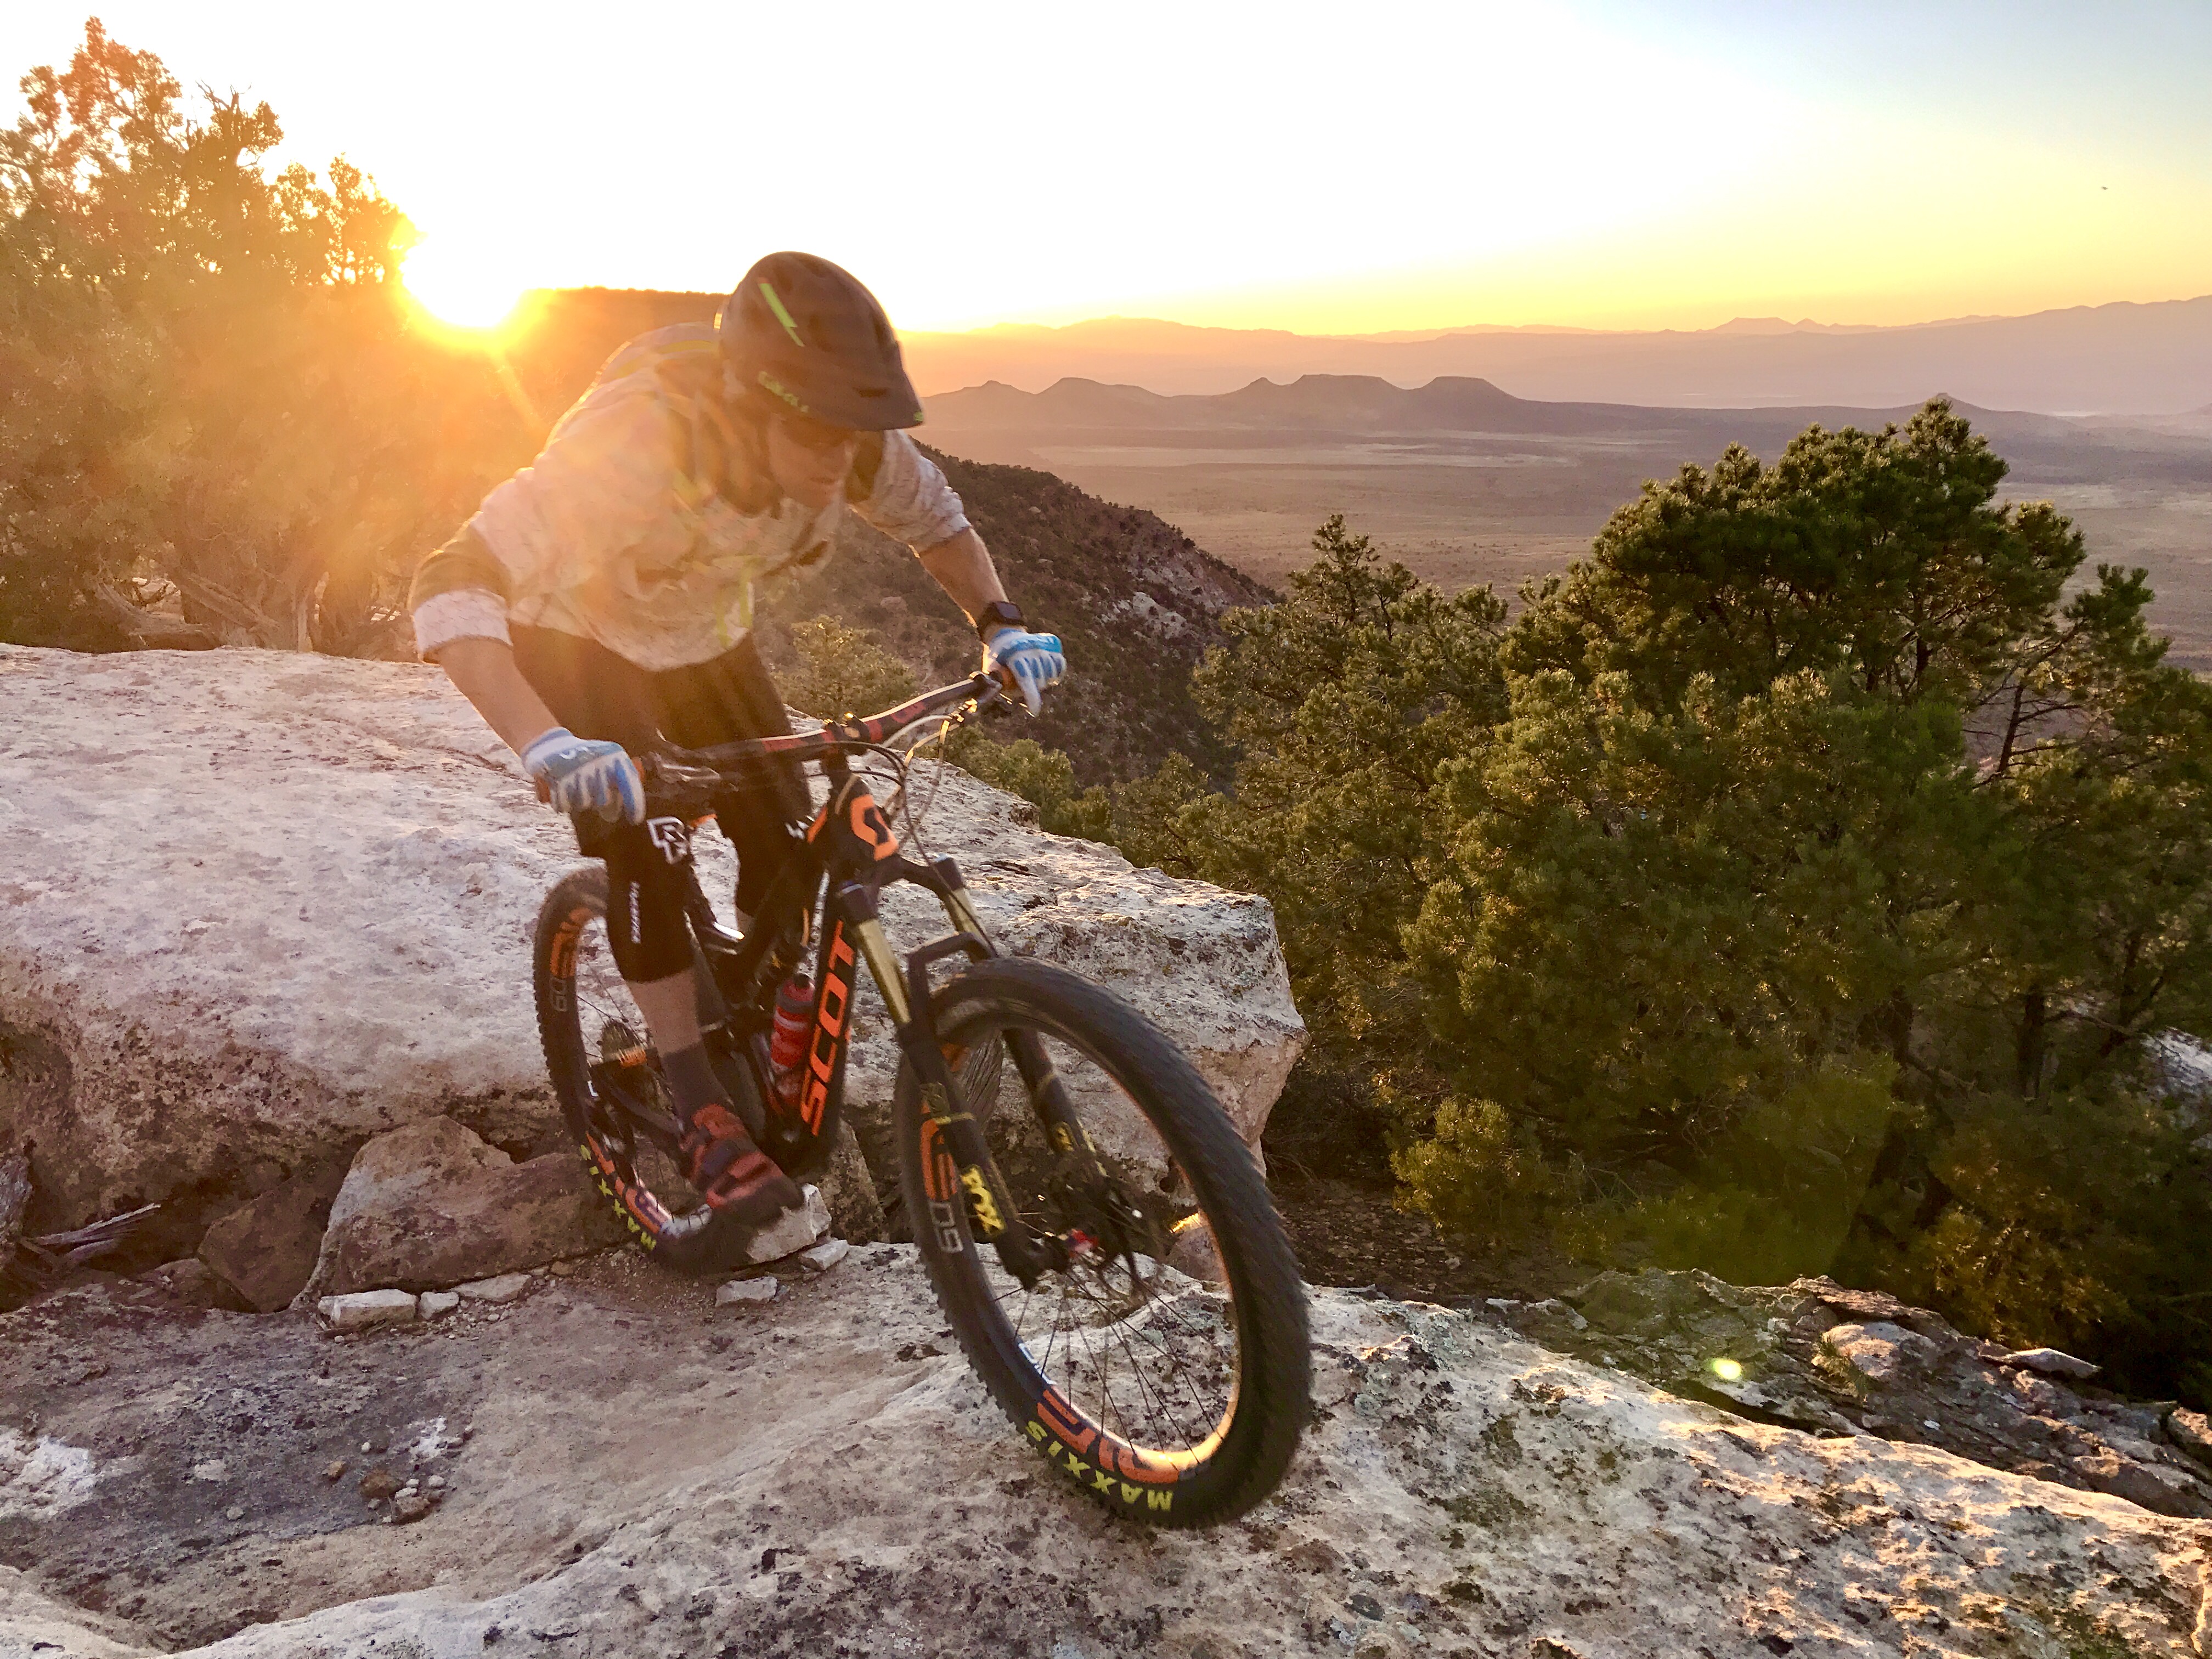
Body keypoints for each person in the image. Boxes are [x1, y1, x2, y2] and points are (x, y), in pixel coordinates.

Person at [408, 251, 1066, 1258]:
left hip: (706, 637)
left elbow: (939, 525)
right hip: (576, 636)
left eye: (854, 437)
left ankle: (763, 1006)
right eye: (810, 432)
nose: (834, 463)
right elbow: (453, 580)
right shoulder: (633, 449)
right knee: (648, 845)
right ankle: (696, 1100)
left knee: (785, 837)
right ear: (743, 404)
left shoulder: (850, 448)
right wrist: (547, 740)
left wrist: (1001, 624)